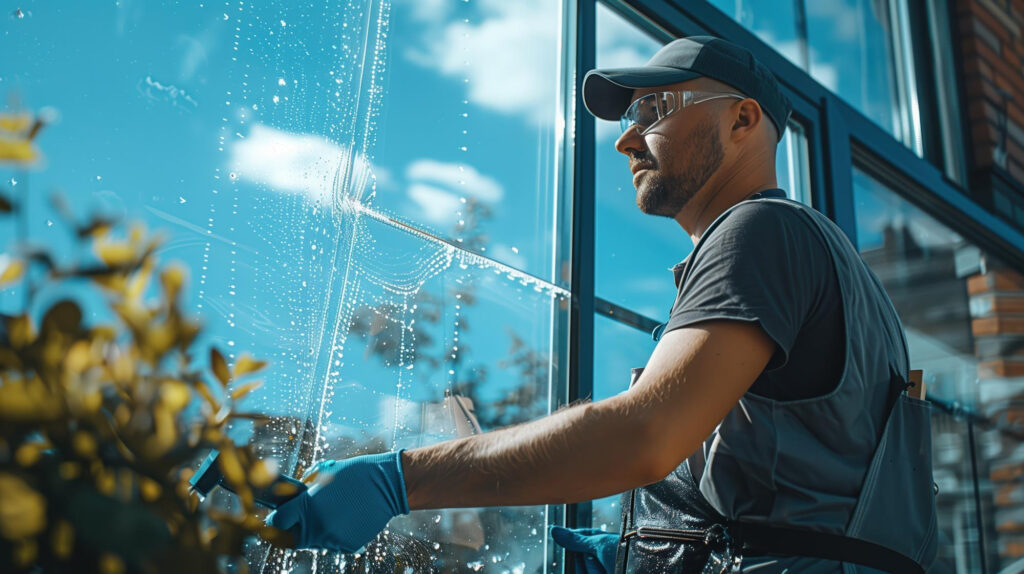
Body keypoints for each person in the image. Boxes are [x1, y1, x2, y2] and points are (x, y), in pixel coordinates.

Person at [266, 36, 938, 573]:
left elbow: (645, 435)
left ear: (742, 119)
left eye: (654, 109)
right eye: (628, 117)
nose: (624, 138)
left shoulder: (760, 233)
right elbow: (795, 487)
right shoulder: (820, 257)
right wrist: (648, 550)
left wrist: (399, 481)